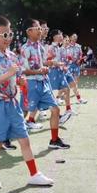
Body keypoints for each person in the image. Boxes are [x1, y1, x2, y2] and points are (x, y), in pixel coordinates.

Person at [0, 15, 55, 190]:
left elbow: (18, 74)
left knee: (24, 139)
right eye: (4, 35)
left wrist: (20, 80)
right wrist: (8, 74)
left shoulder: (12, 55)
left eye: (10, 33)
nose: (9, 38)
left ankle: (34, 174)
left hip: (13, 103)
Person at [21, 18, 70, 150]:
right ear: (29, 31)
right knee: (23, 113)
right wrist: (39, 70)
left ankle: (54, 140)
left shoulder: (41, 47)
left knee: (55, 109)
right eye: (38, 28)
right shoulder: (25, 49)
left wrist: (48, 66)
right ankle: (5, 139)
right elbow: (23, 71)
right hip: (31, 84)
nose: (41, 30)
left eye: (41, 28)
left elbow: (43, 63)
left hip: (43, 83)